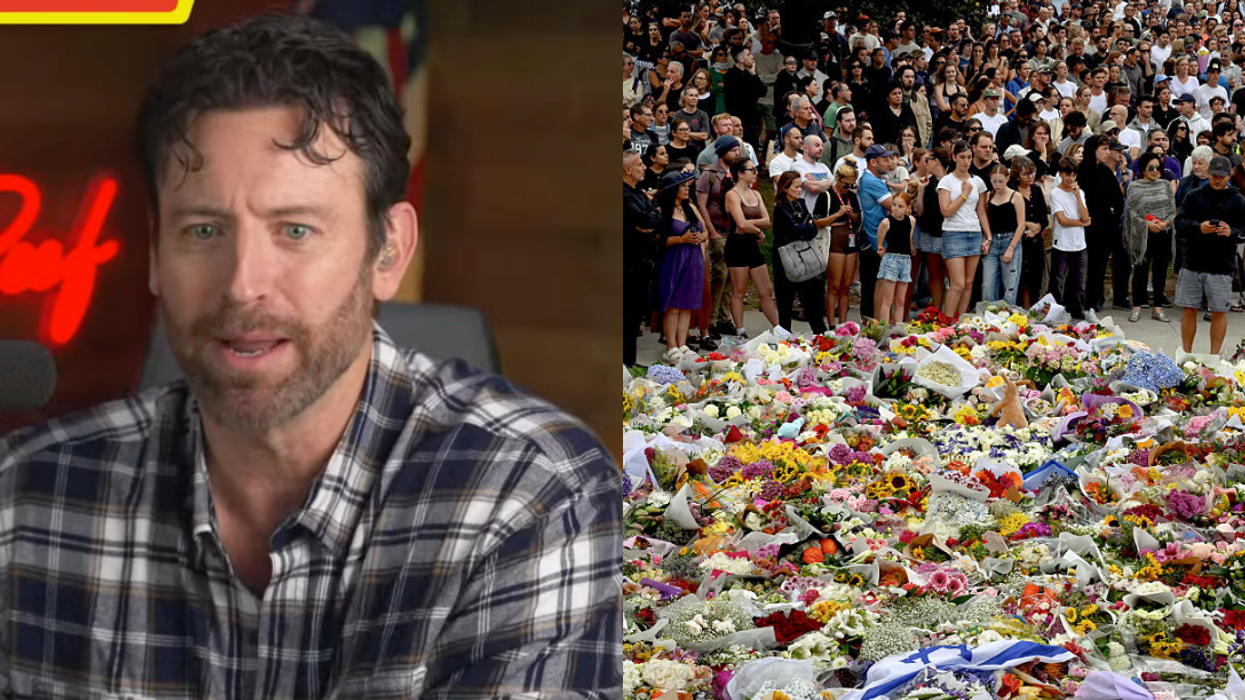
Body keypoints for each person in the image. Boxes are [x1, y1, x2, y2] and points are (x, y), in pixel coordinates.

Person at [6, 15, 622, 697]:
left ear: (387, 251)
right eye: (203, 229)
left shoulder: (530, 495)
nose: (243, 284)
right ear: (155, 254)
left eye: (294, 229)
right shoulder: (25, 496)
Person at [1174, 156, 1245, 353]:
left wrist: (1232, 233)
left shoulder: (1238, 200)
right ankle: (1186, 353)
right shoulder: (1194, 196)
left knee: (1219, 311)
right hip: (1193, 261)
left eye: (1221, 176)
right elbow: (1179, 222)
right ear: (1208, 174)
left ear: (1229, 175)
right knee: (1189, 308)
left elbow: (1243, 230)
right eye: (1214, 175)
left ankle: (1214, 356)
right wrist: (1199, 227)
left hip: (1222, 264)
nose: (1217, 180)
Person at [724, 159, 785, 338]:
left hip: (751, 243)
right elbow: (739, 223)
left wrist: (752, 226)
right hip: (737, 246)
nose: (755, 172)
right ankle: (740, 329)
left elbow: (766, 220)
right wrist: (757, 229)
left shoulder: (756, 194)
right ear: (740, 173)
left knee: (766, 289)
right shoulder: (732, 195)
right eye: (751, 170)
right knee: (739, 290)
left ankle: (778, 327)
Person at [656, 170, 708, 362]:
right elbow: (657, 239)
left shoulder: (691, 208)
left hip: (693, 257)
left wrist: (699, 237)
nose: (687, 189)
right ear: (673, 189)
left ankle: (682, 343)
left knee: (686, 303)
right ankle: (671, 346)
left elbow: (705, 232)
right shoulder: (662, 211)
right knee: (673, 304)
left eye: (688, 186)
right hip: (673, 258)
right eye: (683, 186)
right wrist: (681, 238)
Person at [771, 170, 831, 335]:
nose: (799, 190)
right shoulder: (781, 208)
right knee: (785, 301)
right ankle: (785, 336)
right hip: (786, 259)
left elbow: (812, 229)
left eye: (800, 186)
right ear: (785, 188)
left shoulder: (801, 204)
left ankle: (820, 332)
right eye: (796, 187)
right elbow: (792, 231)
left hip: (806, 256)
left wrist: (805, 227)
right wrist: (805, 227)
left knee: (813, 297)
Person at [1123, 152, 1177, 323]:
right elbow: (1131, 212)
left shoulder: (1166, 185)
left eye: (1158, 167)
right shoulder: (1135, 186)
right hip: (1143, 234)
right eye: (1151, 167)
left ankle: (1158, 308)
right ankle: (1136, 307)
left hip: (1163, 233)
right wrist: (1147, 224)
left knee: (1160, 271)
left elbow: (1171, 209)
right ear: (1143, 170)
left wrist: (1165, 223)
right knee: (1140, 270)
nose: (1155, 170)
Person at [938, 140, 988, 317]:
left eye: (969, 157)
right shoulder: (946, 181)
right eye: (962, 157)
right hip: (953, 233)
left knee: (968, 284)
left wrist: (987, 236)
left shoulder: (978, 181)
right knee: (957, 284)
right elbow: (946, 211)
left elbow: (981, 211)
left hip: (974, 232)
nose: (966, 161)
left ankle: (960, 322)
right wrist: (964, 195)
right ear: (954, 157)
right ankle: (947, 321)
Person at [696, 135, 740, 338]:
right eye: (733, 150)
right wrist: (711, 231)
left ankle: (724, 317)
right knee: (720, 274)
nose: (737, 153)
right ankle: (711, 319)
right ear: (722, 152)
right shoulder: (709, 174)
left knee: (732, 275)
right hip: (717, 230)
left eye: (738, 150)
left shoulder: (737, 173)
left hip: (734, 231)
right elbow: (701, 205)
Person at [1079, 135, 1127, 313]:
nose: (1108, 152)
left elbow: (1117, 197)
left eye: (1109, 149)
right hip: (1090, 225)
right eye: (1104, 149)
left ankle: (1098, 297)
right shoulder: (1084, 170)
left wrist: (1113, 216)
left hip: (1108, 225)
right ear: (1094, 150)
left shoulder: (1105, 171)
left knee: (1100, 265)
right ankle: (1089, 299)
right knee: (1091, 264)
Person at [626, 149, 663, 367]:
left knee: (634, 315)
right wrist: (647, 222)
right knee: (626, 314)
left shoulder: (639, 194)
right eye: (640, 164)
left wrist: (649, 222)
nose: (645, 168)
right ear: (628, 169)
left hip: (644, 263)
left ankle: (629, 361)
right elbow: (642, 219)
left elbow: (656, 219)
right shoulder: (621, 194)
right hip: (627, 264)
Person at [1049, 156, 1094, 323]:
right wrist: (1082, 223)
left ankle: (1077, 313)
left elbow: (1085, 215)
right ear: (1060, 174)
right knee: (1057, 281)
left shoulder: (1080, 193)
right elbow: (1062, 220)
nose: (1070, 178)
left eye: (1073, 175)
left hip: (1079, 244)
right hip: (1062, 244)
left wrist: (1077, 197)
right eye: (1067, 175)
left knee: (1078, 281)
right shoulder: (1056, 193)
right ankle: (1055, 313)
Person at [858, 144, 898, 321]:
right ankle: (873, 326)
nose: (889, 163)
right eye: (885, 159)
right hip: (875, 240)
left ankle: (873, 325)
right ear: (873, 162)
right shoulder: (872, 181)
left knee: (874, 284)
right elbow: (897, 207)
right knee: (876, 285)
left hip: (875, 239)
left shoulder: (873, 179)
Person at [981, 163, 1026, 305]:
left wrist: (1011, 248)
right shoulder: (989, 195)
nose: (997, 185)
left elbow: (1021, 225)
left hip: (1010, 239)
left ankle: (1007, 315)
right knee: (988, 283)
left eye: (1001, 181)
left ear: (1007, 179)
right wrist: (986, 239)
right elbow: (985, 220)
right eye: (994, 181)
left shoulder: (1016, 196)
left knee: (1010, 284)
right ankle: (988, 314)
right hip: (993, 240)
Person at [824, 162, 863, 326]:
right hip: (835, 242)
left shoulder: (852, 196)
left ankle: (843, 324)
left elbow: (858, 219)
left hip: (850, 241)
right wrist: (838, 214)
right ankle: (831, 324)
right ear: (838, 180)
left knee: (846, 286)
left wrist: (853, 216)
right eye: (846, 184)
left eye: (852, 185)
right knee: (834, 285)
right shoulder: (827, 195)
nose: (848, 188)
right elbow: (818, 221)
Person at [914, 147, 950, 312]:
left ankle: (952, 311)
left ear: (937, 161)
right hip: (929, 232)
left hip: (948, 233)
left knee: (950, 275)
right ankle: (937, 311)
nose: (925, 163)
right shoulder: (928, 182)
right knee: (934, 274)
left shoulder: (950, 181)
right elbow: (919, 211)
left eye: (927, 160)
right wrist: (921, 190)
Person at [1011, 156, 1049, 308]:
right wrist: (1027, 225)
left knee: (1035, 278)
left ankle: (1033, 308)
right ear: (1017, 175)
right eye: (1026, 174)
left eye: (1032, 173)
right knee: (1021, 279)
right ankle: (1020, 309)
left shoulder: (1036, 190)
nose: (1030, 176)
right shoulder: (1012, 191)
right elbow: (1010, 216)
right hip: (1019, 241)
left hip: (1035, 241)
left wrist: (1037, 227)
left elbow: (1043, 217)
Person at [875, 192, 917, 323]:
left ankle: (898, 328)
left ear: (907, 208)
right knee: (888, 299)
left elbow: (908, 237)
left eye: (900, 206)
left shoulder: (911, 220)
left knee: (900, 300)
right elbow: (880, 244)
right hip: (892, 258)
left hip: (905, 259)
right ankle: (885, 327)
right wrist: (882, 252)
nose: (896, 209)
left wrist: (911, 248)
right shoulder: (886, 222)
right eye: (894, 205)